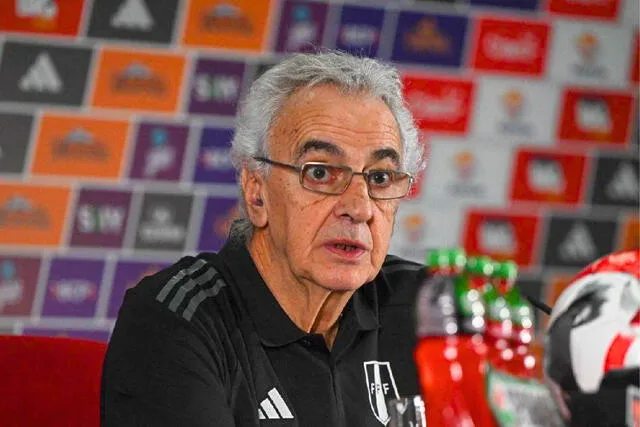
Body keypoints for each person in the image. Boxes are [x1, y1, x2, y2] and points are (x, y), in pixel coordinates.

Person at [101, 50, 427, 427]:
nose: (359, 207)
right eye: (320, 173)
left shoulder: (429, 310)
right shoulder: (174, 320)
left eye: (381, 178)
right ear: (257, 193)